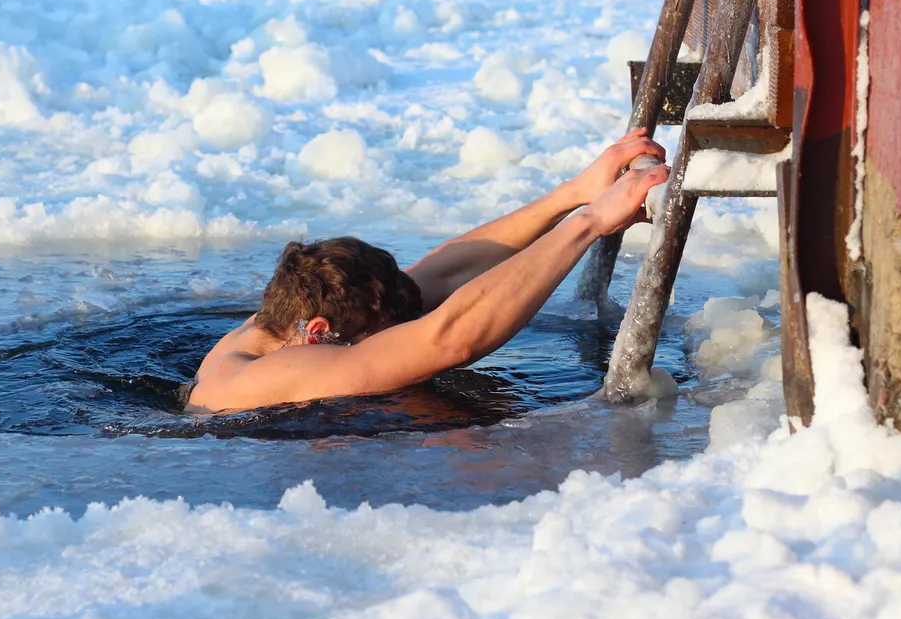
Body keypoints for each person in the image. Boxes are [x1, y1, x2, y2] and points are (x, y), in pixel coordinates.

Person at [185, 130, 669, 413]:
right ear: (318, 333)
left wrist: (573, 195)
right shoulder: (273, 373)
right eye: (384, 332)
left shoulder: (283, 322)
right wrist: (589, 225)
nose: (402, 326)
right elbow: (449, 338)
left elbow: (437, 276)